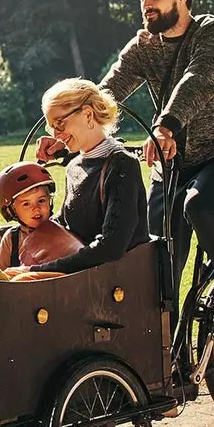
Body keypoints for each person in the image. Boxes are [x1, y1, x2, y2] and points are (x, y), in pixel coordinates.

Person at [38, 0, 214, 343]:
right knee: (155, 260)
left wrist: (166, 125)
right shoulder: (144, 46)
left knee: (199, 205)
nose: (146, 6)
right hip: (172, 165)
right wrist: (65, 128)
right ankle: (164, 358)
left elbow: (198, 80)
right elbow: (107, 92)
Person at [17, 80, 150, 280]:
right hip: (86, 275)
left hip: (117, 282)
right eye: (51, 127)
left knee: (19, 282)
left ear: (88, 114)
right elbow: (62, 226)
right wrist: (7, 235)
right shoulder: (74, 167)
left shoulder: (122, 166)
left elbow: (111, 247)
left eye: (60, 124)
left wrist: (38, 271)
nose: (56, 135)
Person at [0, 161, 85, 272]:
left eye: (41, 200)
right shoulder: (11, 239)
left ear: (50, 201)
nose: (36, 208)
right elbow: (0, 275)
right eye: (26, 204)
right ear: (11, 211)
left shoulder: (60, 232)